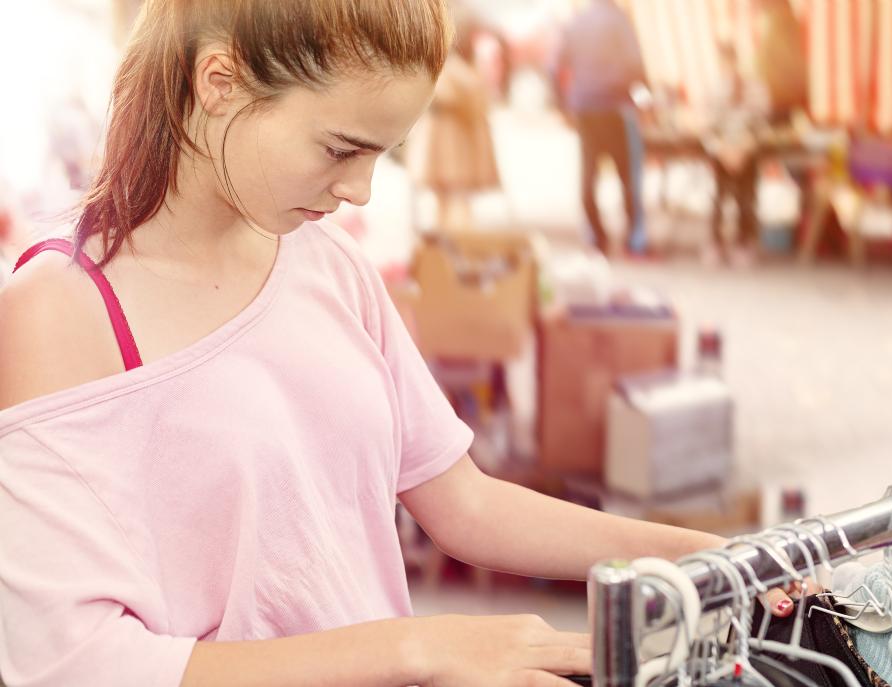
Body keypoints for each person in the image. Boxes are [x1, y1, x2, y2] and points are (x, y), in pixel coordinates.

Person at [0, 2, 800, 686]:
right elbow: (75, 663)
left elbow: (464, 502)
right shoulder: (57, 310)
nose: (361, 191)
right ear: (220, 81)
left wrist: (714, 558)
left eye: (383, 154)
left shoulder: (327, 260)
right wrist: (417, 648)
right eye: (341, 148)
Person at [552, 0, 648, 257]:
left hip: (584, 107)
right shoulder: (619, 20)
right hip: (616, 106)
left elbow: (554, 66)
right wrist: (642, 92)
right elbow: (635, 63)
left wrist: (562, 103)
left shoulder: (576, 21)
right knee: (628, 175)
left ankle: (596, 237)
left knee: (589, 173)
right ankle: (634, 240)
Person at [409, 17, 501, 232]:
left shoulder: (445, 68)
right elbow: (475, 103)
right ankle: (451, 250)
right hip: (452, 147)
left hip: (446, 145)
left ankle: (449, 250)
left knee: (450, 202)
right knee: (453, 202)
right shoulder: (459, 71)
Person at [702, 44, 770, 269]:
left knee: (746, 199)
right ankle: (716, 242)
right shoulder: (713, 90)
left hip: (746, 151)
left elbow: (761, 128)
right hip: (721, 152)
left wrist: (743, 149)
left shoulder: (754, 89)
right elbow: (708, 129)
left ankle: (744, 241)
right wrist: (722, 150)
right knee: (717, 197)